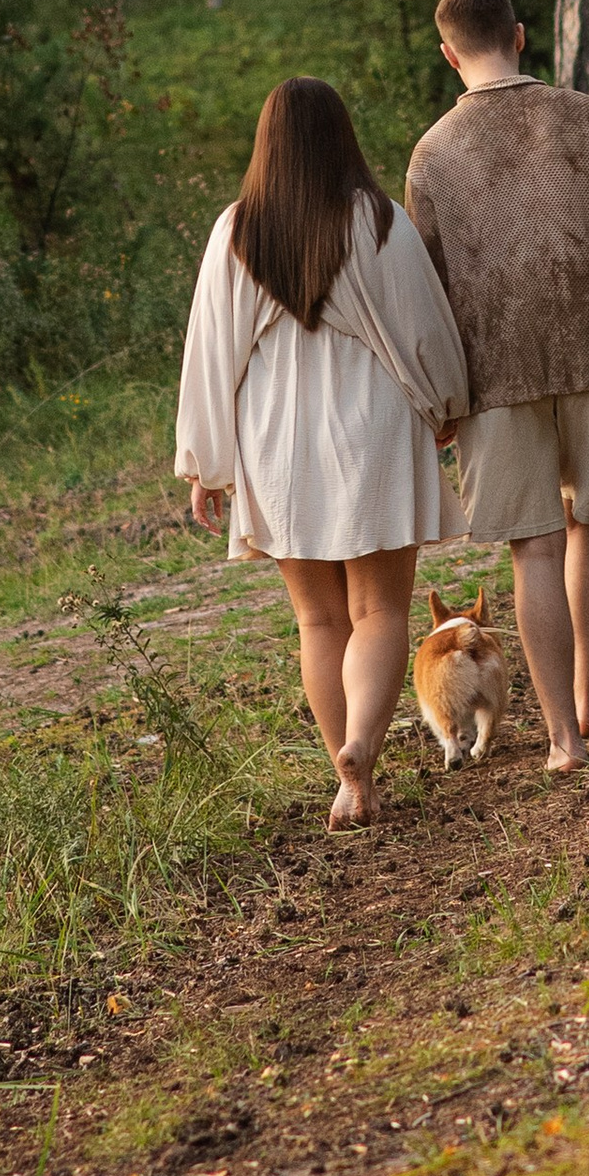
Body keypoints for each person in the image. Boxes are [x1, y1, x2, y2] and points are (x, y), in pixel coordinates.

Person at [176, 73, 469, 828]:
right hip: (372, 422)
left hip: (276, 438)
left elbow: (212, 354)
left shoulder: (236, 230)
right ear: (342, 137)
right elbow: (425, 328)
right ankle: (363, 753)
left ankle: (345, 768)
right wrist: (447, 404)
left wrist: (206, 461)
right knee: (379, 609)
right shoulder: (378, 220)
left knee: (318, 621)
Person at [404, 0, 589, 774]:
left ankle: (562, 739)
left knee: (533, 549)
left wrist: (441, 398)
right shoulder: (587, 116)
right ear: (520, 37)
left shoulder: (431, 154)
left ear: (451, 54)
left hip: (496, 375)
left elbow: (425, 290)